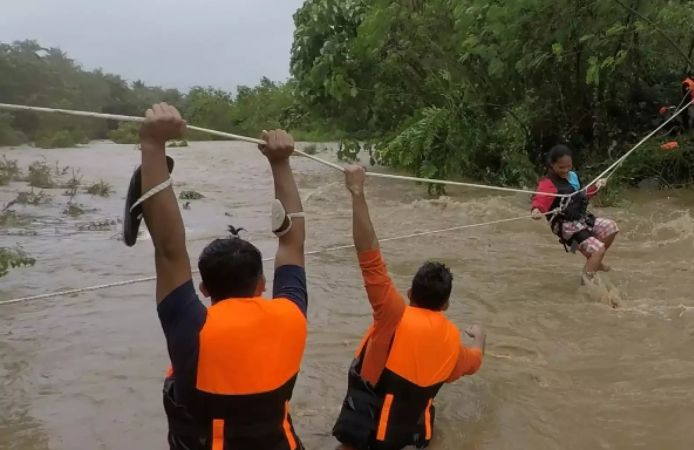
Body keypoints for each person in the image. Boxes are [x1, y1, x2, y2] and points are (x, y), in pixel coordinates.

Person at [136, 103, 309, 450]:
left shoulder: (191, 329)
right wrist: (281, 163)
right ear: (261, 284)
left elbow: (169, 250)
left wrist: (152, 146)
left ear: (202, 288)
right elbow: (292, 241)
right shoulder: (291, 315)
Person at [332, 165, 486, 450]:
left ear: (410, 292)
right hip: (412, 443)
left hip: (360, 440)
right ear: (447, 304)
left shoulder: (391, 315)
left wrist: (357, 192)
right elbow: (474, 361)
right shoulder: (452, 342)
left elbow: (368, 254)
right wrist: (480, 336)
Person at [530, 144, 619, 275]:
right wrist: (536, 210)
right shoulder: (548, 183)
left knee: (611, 227)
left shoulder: (573, 176)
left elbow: (582, 194)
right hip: (566, 227)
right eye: (561, 167)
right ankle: (587, 284)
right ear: (552, 165)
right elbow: (540, 199)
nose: (566, 170)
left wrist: (597, 186)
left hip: (581, 220)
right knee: (598, 250)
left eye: (569, 166)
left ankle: (594, 262)